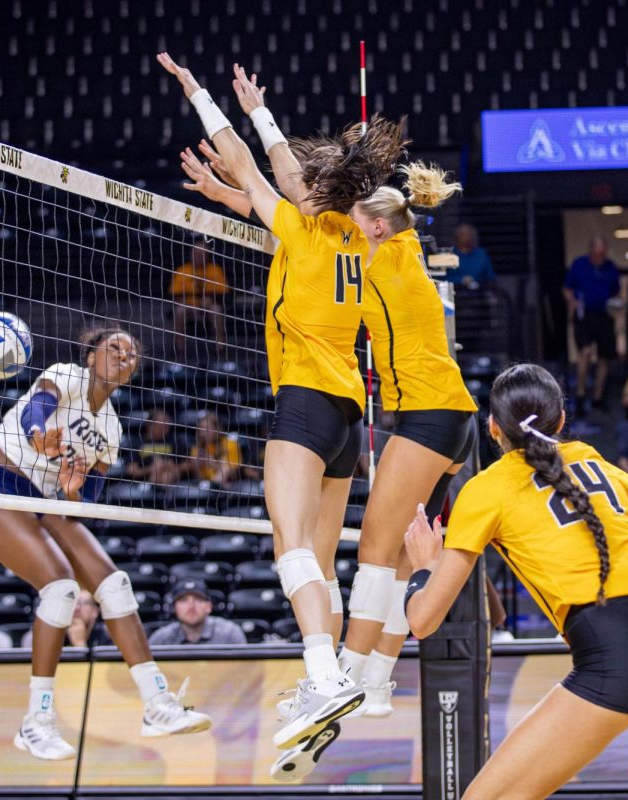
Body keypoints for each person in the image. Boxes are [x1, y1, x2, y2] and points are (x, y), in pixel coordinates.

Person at [160, 51, 405, 752]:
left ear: (316, 191)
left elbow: (250, 158)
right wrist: (239, 167)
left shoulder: (301, 228)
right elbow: (266, 175)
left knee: (290, 548)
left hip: (302, 404)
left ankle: (323, 676)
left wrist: (205, 95)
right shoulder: (362, 240)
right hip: (348, 418)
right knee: (320, 566)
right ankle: (328, 689)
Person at [403, 362, 628, 800]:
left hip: (619, 649)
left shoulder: (486, 488)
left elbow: (423, 621)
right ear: (561, 420)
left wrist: (424, 566)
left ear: (493, 428)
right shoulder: (589, 457)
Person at [0, 326, 210, 761]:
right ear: (91, 355)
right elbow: (34, 413)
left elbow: (82, 506)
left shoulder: (110, 429)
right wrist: (40, 437)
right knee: (60, 589)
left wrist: (73, 487)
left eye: (131, 354)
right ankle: (36, 721)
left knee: (114, 585)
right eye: (113, 347)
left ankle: (157, 705)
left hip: (46, 501)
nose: (123, 356)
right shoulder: (68, 375)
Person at [564, 236, 621, 413]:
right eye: (597, 253)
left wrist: (616, 305)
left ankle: (598, 396)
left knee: (604, 356)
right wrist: (572, 303)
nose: (599, 256)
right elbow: (567, 289)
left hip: (604, 315)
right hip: (584, 315)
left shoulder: (610, 267)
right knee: (585, 352)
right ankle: (581, 394)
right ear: (591, 251)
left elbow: (617, 293)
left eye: (602, 253)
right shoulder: (579, 264)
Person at [170, 239, 228, 359]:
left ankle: (220, 348)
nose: (199, 256)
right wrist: (191, 305)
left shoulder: (215, 270)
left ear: (207, 255)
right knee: (179, 311)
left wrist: (208, 300)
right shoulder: (182, 270)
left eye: (202, 254)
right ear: (191, 254)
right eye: (196, 253)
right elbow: (175, 294)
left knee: (216, 310)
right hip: (188, 306)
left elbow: (224, 292)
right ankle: (179, 349)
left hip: (209, 305)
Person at [148, 579, 247, 645]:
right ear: (174, 608)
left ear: (209, 606)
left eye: (198, 599)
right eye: (183, 600)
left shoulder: (229, 634)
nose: (191, 606)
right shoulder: (162, 638)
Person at [20, 591, 112, 649]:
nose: (76, 608)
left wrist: (79, 645)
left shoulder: (108, 635)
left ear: (95, 611)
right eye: (72, 603)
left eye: (83, 603)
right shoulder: (52, 634)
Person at [124, 408, 182, 487]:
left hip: (170, 478)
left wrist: (166, 465)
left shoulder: (174, 442)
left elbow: (185, 466)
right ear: (150, 425)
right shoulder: (137, 443)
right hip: (143, 483)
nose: (166, 428)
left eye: (167, 425)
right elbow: (132, 470)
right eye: (162, 425)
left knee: (166, 476)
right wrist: (152, 469)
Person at [181, 411, 242, 486]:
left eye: (207, 428)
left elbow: (232, 471)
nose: (204, 432)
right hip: (202, 481)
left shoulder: (230, 444)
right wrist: (196, 465)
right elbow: (196, 474)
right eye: (201, 429)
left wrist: (213, 463)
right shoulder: (197, 448)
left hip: (228, 481)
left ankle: (213, 487)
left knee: (225, 469)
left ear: (217, 429)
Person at [449, 223, 495, 288]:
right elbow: (441, 279)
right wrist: (460, 280)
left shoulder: (481, 254)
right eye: (463, 234)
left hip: (479, 292)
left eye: (468, 234)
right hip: (455, 291)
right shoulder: (449, 255)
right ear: (457, 236)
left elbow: (490, 277)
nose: (466, 237)